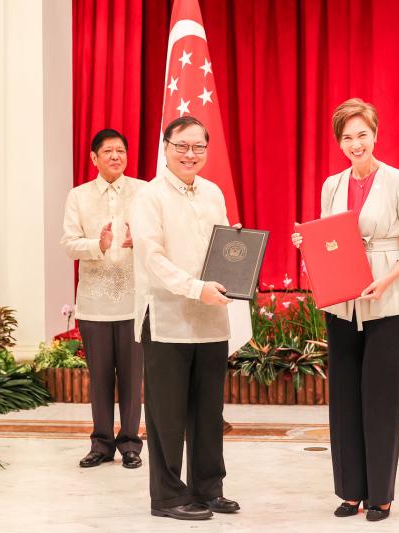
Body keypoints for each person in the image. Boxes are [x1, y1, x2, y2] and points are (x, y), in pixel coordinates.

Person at [291, 98, 399, 521]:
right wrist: (305, 244)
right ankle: (350, 490)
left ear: (375, 134)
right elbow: (327, 236)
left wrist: (388, 278)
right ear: (340, 142)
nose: (355, 144)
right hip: (342, 300)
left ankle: (380, 495)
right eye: (347, 137)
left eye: (362, 135)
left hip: (387, 298)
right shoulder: (332, 184)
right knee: (345, 395)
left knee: (379, 396)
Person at [130, 115, 240, 521]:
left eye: (198, 147)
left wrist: (237, 258)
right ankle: (168, 496)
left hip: (211, 318)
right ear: (165, 147)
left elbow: (223, 247)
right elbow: (152, 259)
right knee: (167, 415)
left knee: (209, 411)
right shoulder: (149, 197)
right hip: (168, 319)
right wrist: (196, 288)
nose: (190, 154)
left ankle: (208, 488)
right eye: (182, 146)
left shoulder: (212, 193)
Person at [61, 128, 145, 470]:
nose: (116, 156)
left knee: (131, 375)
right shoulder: (78, 196)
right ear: (94, 158)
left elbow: (159, 235)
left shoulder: (143, 192)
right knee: (99, 377)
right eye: (108, 151)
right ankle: (100, 443)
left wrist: (137, 240)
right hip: (94, 301)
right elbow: (68, 244)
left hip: (133, 300)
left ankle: (130, 444)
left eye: (121, 151)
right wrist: (99, 243)